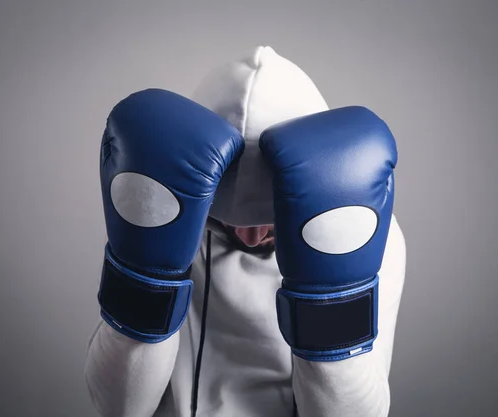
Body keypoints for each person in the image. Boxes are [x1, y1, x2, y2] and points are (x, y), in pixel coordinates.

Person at [84, 46, 406, 417]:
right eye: (228, 218)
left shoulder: (361, 233)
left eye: (268, 217)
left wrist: (328, 305)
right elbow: (118, 409)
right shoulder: (159, 209)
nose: (250, 237)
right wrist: (145, 280)